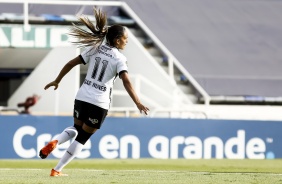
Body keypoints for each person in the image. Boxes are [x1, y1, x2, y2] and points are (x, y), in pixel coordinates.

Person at [39, 8, 149, 176]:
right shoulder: (120, 59)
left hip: (82, 96)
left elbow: (70, 63)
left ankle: (57, 140)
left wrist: (57, 80)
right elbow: (126, 81)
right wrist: (138, 102)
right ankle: (56, 170)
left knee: (75, 128)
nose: (127, 42)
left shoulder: (95, 48)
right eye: (125, 39)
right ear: (117, 40)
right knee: (82, 137)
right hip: (99, 102)